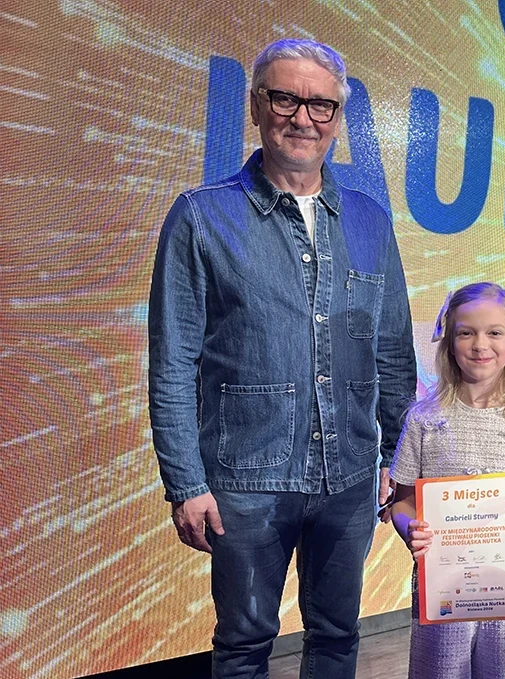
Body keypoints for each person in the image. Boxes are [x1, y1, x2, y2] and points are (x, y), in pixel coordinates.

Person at [147, 39, 416, 678]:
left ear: (338, 118)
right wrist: (186, 484)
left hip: (350, 477)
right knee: (244, 646)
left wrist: (398, 459)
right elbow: (172, 364)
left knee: (337, 635)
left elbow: (392, 352)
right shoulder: (201, 217)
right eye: (285, 98)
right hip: (246, 480)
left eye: (321, 105)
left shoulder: (370, 221)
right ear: (256, 106)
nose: (303, 118)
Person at [388, 282, 505, 679]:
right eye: (466, 333)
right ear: (450, 342)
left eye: (494, 333)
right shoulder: (424, 420)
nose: (480, 345)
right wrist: (410, 529)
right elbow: (402, 502)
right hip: (442, 586)